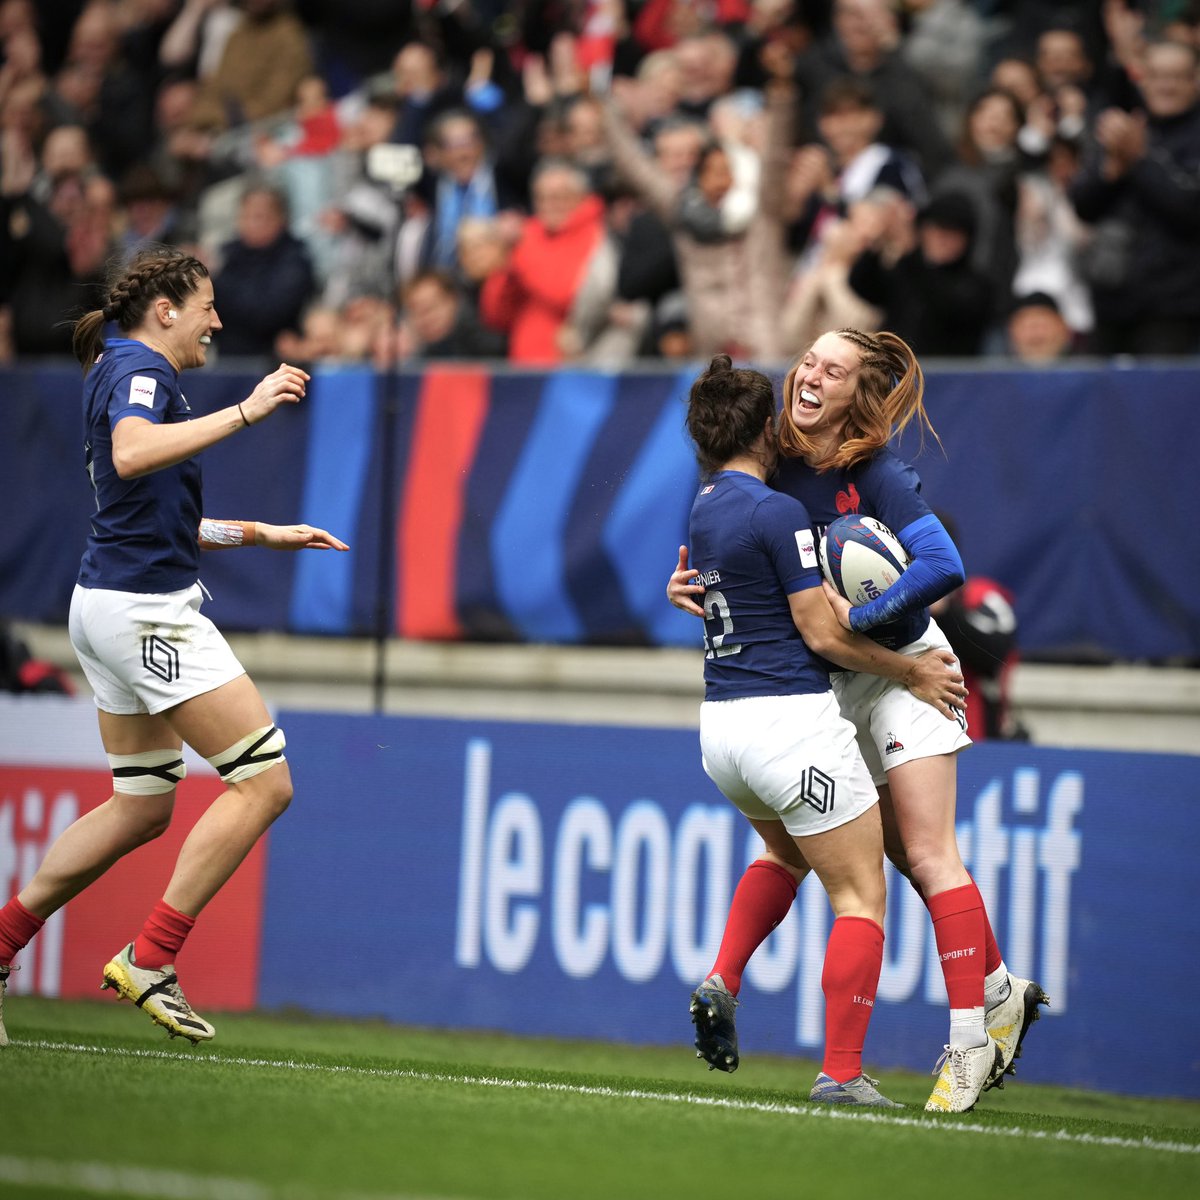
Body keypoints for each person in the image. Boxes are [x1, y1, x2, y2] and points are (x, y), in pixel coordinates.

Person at [670, 328, 1049, 1113]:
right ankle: (1000, 990)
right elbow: (734, 551)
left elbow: (943, 566)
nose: (810, 376)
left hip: (911, 670)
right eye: (807, 361)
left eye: (832, 370)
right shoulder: (769, 460)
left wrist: (866, 615)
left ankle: (969, 1043)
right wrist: (697, 587)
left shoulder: (877, 473)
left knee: (930, 853)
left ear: (856, 395)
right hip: (838, 678)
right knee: (896, 854)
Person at [0, 246, 347, 1049]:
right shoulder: (141, 372)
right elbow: (132, 453)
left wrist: (259, 533)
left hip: (104, 603)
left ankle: (4, 939)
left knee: (141, 805)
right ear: (165, 311)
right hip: (146, 614)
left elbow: (155, 517)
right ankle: (151, 957)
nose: (216, 321)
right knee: (264, 783)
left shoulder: (117, 369)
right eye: (206, 307)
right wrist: (247, 411)